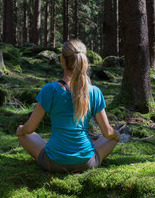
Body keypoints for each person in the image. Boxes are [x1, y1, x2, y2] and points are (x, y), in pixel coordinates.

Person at [16, 39, 120, 173]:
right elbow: (107, 132)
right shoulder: (94, 92)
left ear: (62, 60)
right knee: (111, 137)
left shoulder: (50, 90)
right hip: (86, 163)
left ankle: (59, 150)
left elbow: (29, 129)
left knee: (23, 132)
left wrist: (20, 130)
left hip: (52, 162)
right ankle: (77, 153)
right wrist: (117, 135)